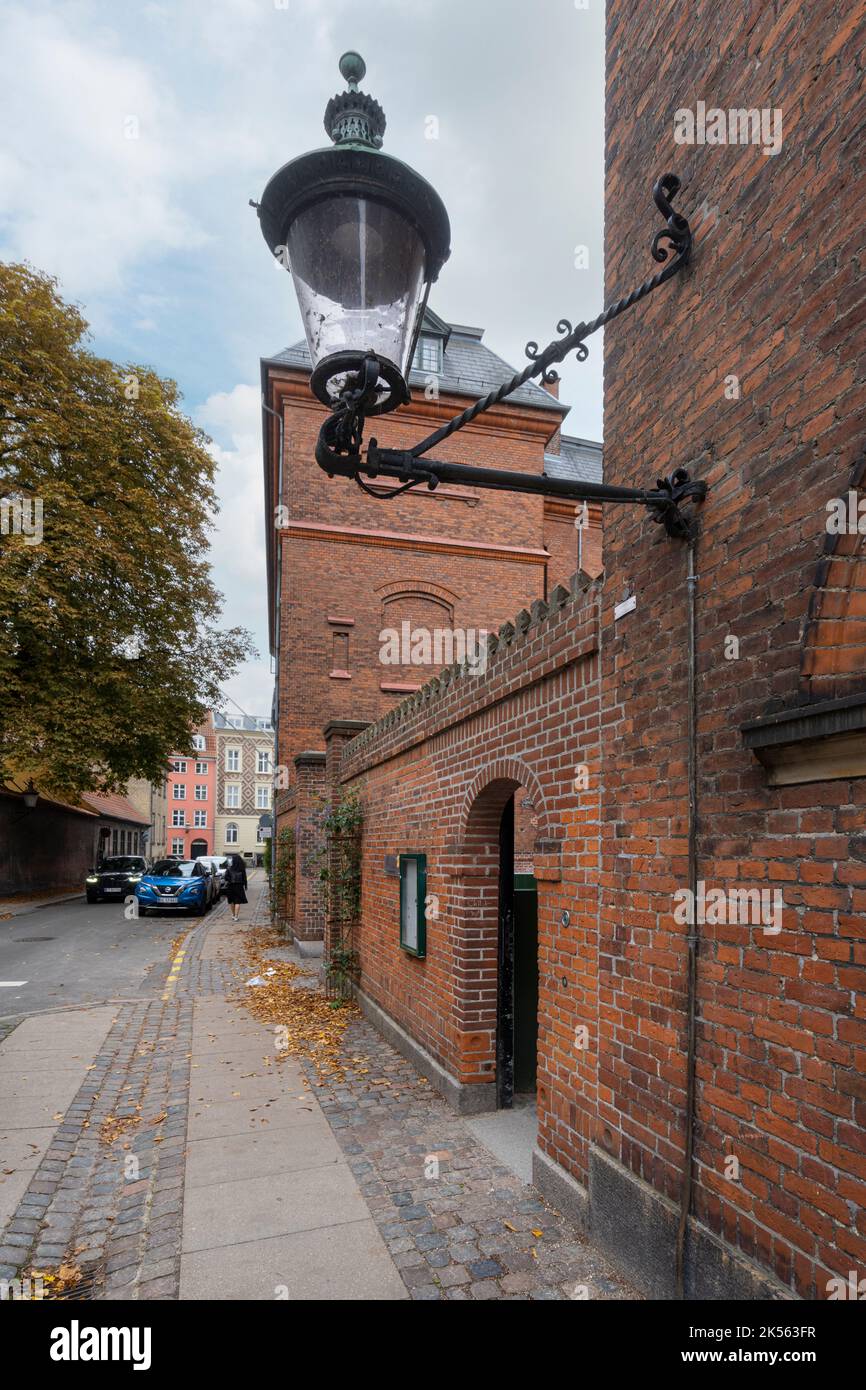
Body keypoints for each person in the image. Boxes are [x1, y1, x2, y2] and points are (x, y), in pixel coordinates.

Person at [224, 853, 248, 921]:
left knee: (232, 901)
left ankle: (233, 914)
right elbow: (244, 878)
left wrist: (229, 880)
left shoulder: (229, 868)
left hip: (230, 886)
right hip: (239, 886)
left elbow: (226, 878)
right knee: (237, 902)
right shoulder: (242, 869)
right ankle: (236, 916)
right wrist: (245, 886)